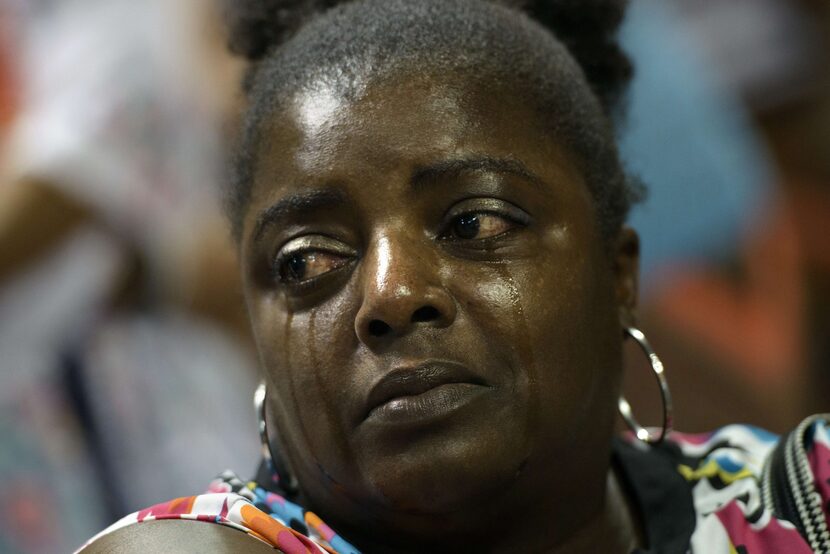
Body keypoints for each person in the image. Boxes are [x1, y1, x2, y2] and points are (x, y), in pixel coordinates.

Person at [79, 0, 830, 552]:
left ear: (618, 270)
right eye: (306, 261)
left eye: (475, 223)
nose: (391, 293)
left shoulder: (804, 501)